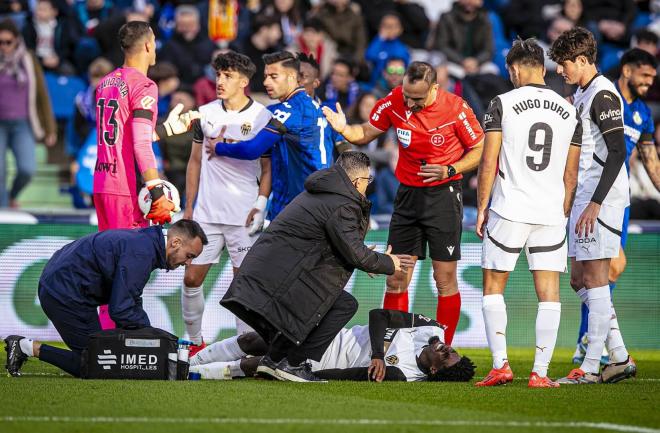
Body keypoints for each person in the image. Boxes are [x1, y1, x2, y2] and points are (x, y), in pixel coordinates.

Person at [323, 61, 485, 346]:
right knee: (396, 276)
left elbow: (479, 148)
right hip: (408, 197)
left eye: (418, 98)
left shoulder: (456, 108)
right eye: (407, 95)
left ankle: (442, 349)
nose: (410, 103)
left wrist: (451, 169)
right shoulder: (394, 101)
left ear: (435, 88)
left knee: (443, 278)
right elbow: (366, 132)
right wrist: (344, 129)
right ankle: (395, 347)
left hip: (444, 196)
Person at [220, 152, 414, 382]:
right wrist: (386, 262)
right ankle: (293, 363)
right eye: (368, 180)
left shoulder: (323, 193)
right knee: (341, 304)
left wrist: (364, 258)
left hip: (264, 282)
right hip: (275, 285)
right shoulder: (343, 204)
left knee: (324, 299)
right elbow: (353, 250)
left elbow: (339, 248)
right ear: (356, 182)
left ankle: (274, 361)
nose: (368, 186)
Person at [474, 38, 582, 388]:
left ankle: (501, 365)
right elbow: (571, 175)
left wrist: (481, 207)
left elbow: (488, 161)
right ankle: (540, 373)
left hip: (509, 208)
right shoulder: (570, 110)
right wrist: (562, 209)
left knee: (493, 286)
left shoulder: (502, 103)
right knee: (550, 293)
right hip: (551, 211)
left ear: (515, 69)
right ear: (545, 67)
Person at [93, 21, 199, 329]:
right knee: (125, 265)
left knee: (110, 261)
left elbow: (125, 134)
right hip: (124, 187)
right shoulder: (145, 85)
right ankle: (113, 337)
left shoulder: (105, 82)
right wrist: (155, 190)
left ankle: (106, 331)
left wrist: (165, 130)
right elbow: (139, 143)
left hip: (102, 182)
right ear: (149, 46)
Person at [4, 219, 207, 378]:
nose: (188, 263)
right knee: (96, 365)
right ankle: (23, 346)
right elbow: (120, 309)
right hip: (64, 292)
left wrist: (146, 334)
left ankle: (25, 347)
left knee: (105, 357)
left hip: (67, 287)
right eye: (189, 256)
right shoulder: (142, 252)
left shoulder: (147, 244)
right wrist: (152, 336)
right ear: (175, 242)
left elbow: (130, 297)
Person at [549, 27, 636, 384]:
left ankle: (588, 368)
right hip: (586, 197)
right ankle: (619, 355)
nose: (559, 70)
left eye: (564, 63)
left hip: (600, 200)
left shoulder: (603, 95)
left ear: (583, 60)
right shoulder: (584, 95)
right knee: (578, 280)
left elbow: (617, 152)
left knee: (596, 281)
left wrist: (595, 203)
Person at [573, 48, 660, 364]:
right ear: (627, 70)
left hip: (615, 201)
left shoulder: (643, 114)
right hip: (592, 193)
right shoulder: (604, 97)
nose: (649, 83)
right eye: (645, 75)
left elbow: (651, 160)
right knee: (591, 273)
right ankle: (599, 343)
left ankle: (592, 342)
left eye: (652, 78)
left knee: (602, 271)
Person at [182, 51, 273, 355]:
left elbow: (267, 168)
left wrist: (261, 203)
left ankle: (243, 350)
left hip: (243, 215)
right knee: (192, 277)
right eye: (218, 74)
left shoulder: (261, 116)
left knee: (242, 287)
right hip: (206, 213)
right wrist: (189, 208)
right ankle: (194, 341)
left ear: (244, 81)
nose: (220, 81)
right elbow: (194, 163)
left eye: (228, 76)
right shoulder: (204, 113)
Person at [189, 309, 476, 382]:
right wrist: (377, 353)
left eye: (447, 356)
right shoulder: (431, 328)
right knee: (252, 340)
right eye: (452, 350)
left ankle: (191, 373)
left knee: (256, 365)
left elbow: (351, 375)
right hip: (335, 335)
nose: (447, 348)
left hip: (324, 361)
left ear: (436, 371)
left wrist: (313, 376)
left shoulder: (403, 373)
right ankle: (191, 361)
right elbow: (379, 315)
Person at [209, 51, 332, 221]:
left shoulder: (290, 110)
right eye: (266, 76)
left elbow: (252, 150)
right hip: (305, 201)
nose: (266, 82)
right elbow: (266, 151)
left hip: (304, 206)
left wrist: (219, 146)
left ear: (291, 77)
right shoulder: (309, 106)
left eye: (274, 76)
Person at [0, 18, 56, 208]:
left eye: (8, 42)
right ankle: (4, 212)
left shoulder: (28, 59)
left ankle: (10, 196)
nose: (4, 47)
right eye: (0, 42)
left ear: (16, 40)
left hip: (23, 123)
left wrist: (50, 128)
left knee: (27, 169)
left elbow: (42, 94)